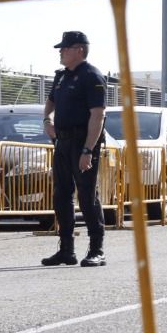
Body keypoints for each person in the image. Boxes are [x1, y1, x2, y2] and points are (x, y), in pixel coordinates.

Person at [42, 30, 108, 267]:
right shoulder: (61, 77)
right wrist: (47, 120)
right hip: (62, 141)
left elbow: (98, 116)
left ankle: (97, 249)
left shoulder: (92, 76)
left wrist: (88, 150)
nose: (61, 51)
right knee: (61, 194)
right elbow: (51, 101)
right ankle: (66, 249)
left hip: (83, 141)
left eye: (65, 48)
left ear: (79, 50)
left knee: (87, 195)